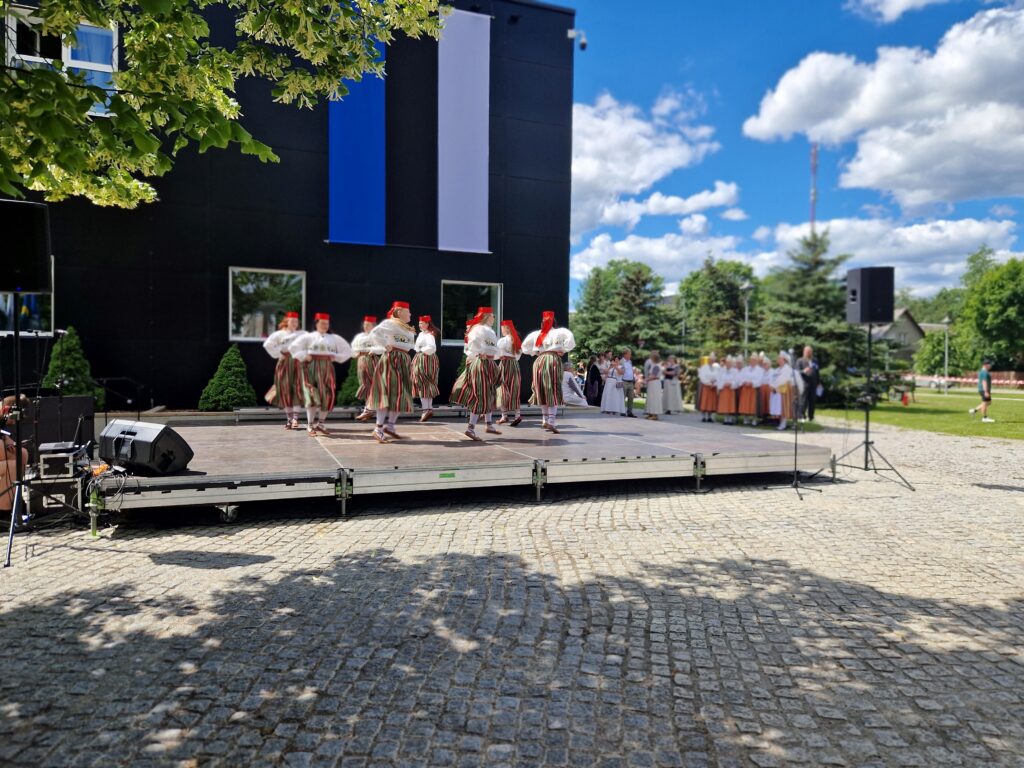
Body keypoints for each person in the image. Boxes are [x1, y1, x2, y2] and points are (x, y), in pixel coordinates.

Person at [288, 313, 353, 436]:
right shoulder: (309, 337)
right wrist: (304, 355)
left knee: (327, 395)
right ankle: (310, 425)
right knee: (312, 396)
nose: (325, 326)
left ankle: (321, 423)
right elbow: (293, 347)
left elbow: (348, 351)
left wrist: (336, 357)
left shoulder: (334, 338)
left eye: (327, 323)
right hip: (311, 367)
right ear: (316, 324)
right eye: (322, 323)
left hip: (327, 368)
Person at [367, 301, 417, 443]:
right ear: (399, 311)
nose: (410, 314)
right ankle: (378, 429)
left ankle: (390, 426)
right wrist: (385, 346)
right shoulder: (390, 323)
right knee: (386, 393)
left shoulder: (408, 329)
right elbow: (374, 333)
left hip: (404, 360)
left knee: (401, 394)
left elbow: (409, 346)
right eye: (408, 311)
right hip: (392, 359)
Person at [522, 311, 576, 433]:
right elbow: (570, 339)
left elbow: (524, 347)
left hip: (540, 360)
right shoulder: (560, 332)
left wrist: (535, 352)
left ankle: (545, 420)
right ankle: (551, 421)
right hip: (552, 359)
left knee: (542, 389)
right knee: (552, 388)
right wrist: (563, 350)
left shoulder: (537, 334)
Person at [460, 307, 501, 441]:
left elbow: (493, 349)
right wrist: (478, 353)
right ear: (487, 316)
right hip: (482, 363)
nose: (494, 319)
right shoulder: (479, 329)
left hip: (488, 363)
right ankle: (470, 428)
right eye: (492, 316)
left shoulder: (489, 330)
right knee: (481, 394)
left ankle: (489, 424)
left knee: (489, 393)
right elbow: (472, 345)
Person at [262, 311, 304, 429]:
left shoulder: (302, 334)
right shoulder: (279, 334)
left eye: (296, 321)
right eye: (292, 321)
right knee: (284, 389)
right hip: (284, 362)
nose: (295, 323)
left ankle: (295, 419)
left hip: (297, 362)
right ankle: (289, 419)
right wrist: (279, 353)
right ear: (287, 321)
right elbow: (267, 344)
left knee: (297, 389)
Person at [351, 316, 383, 422]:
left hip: (372, 359)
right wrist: (355, 354)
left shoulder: (377, 336)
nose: (365, 326)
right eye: (364, 324)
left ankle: (369, 409)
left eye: (368, 324)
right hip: (361, 360)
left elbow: (383, 348)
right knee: (364, 384)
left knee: (373, 384)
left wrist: (373, 349)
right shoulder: (359, 336)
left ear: (373, 326)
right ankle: (368, 409)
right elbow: (353, 348)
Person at [412, 315, 440, 422]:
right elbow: (416, 347)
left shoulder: (429, 335)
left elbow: (432, 348)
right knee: (425, 383)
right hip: (422, 357)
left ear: (427, 324)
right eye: (419, 323)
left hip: (425, 359)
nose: (420, 325)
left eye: (422, 323)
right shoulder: (421, 334)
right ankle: (427, 409)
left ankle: (426, 410)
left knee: (423, 382)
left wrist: (421, 350)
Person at [496, 319, 524, 427]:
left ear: (506, 328)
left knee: (502, 388)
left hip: (505, 364)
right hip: (514, 365)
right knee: (514, 388)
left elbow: (497, 354)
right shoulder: (516, 340)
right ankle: (517, 415)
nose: (502, 330)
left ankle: (504, 416)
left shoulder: (502, 341)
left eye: (502, 328)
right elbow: (518, 356)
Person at [770, 350, 804, 431]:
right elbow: (773, 378)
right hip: (778, 391)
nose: (778, 360)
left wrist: (774, 385)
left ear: (784, 360)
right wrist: (772, 385)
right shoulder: (777, 369)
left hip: (786, 391)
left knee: (785, 407)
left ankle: (784, 423)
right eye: (778, 359)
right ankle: (783, 422)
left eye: (780, 359)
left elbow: (782, 379)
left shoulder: (787, 369)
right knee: (781, 407)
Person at [796, 345, 820, 421]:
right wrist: (804, 371)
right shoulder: (800, 361)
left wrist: (818, 382)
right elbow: (796, 372)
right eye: (807, 352)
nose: (809, 353)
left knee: (812, 400)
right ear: (804, 352)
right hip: (804, 383)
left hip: (813, 384)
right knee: (803, 400)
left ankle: (811, 417)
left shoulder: (815, 360)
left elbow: (817, 372)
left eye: (810, 352)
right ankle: (801, 416)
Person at [737, 354, 762, 427]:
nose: (752, 362)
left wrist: (752, 382)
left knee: (753, 405)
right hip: (746, 388)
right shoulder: (745, 369)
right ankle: (746, 418)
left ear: (756, 361)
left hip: (754, 389)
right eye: (751, 360)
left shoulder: (759, 370)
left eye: (754, 360)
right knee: (745, 404)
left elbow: (760, 379)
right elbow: (741, 377)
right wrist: (744, 382)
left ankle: (754, 419)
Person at [970, 358, 996, 423]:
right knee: (985, 403)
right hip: (984, 390)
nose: (990, 366)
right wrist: (986, 391)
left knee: (988, 402)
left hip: (983, 390)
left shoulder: (983, 371)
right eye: (989, 364)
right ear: (986, 365)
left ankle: (974, 410)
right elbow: (984, 382)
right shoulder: (984, 372)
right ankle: (984, 418)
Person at [697, 353, 718, 422]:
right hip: (706, 386)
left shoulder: (716, 368)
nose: (711, 361)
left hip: (713, 387)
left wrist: (714, 383)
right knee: (705, 401)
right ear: (708, 360)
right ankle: (703, 416)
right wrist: (708, 383)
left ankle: (709, 416)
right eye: (710, 360)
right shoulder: (704, 367)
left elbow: (718, 377)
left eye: (713, 360)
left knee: (711, 403)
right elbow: (702, 376)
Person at [644, 351, 664, 420]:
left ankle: (654, 414)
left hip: (654, 383)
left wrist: (646, 380)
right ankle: (651, 413)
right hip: (652, 383)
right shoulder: (654, 365)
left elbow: (653, 376)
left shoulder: (656, 366)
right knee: (651, 398)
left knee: (654, 398)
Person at [620, 348, 637, 418]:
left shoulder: (630, 361)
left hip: (630, 382)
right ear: (625, 354)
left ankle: (630, 411)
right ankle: (622, 411)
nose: (630, 355)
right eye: (629, 354)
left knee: (631, 397)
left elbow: (630, 371)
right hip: (624, 381)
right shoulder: (621, 361)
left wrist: (633, 378)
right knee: (622, 397)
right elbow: (620, 372)